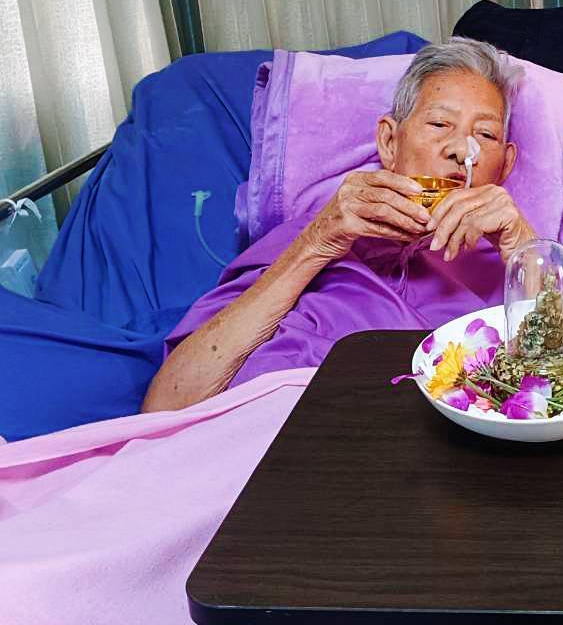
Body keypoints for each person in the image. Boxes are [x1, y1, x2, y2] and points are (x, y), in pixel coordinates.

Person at [144, 38, 539, 412]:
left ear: (505, 165)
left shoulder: (519, 268)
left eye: (485, 134)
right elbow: (166, 403)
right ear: (389, 143)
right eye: (439, 124)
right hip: (256, 429)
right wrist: (318, 244)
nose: (461, 150)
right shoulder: (310, 237)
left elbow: (556, 394)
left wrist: (525, 251)